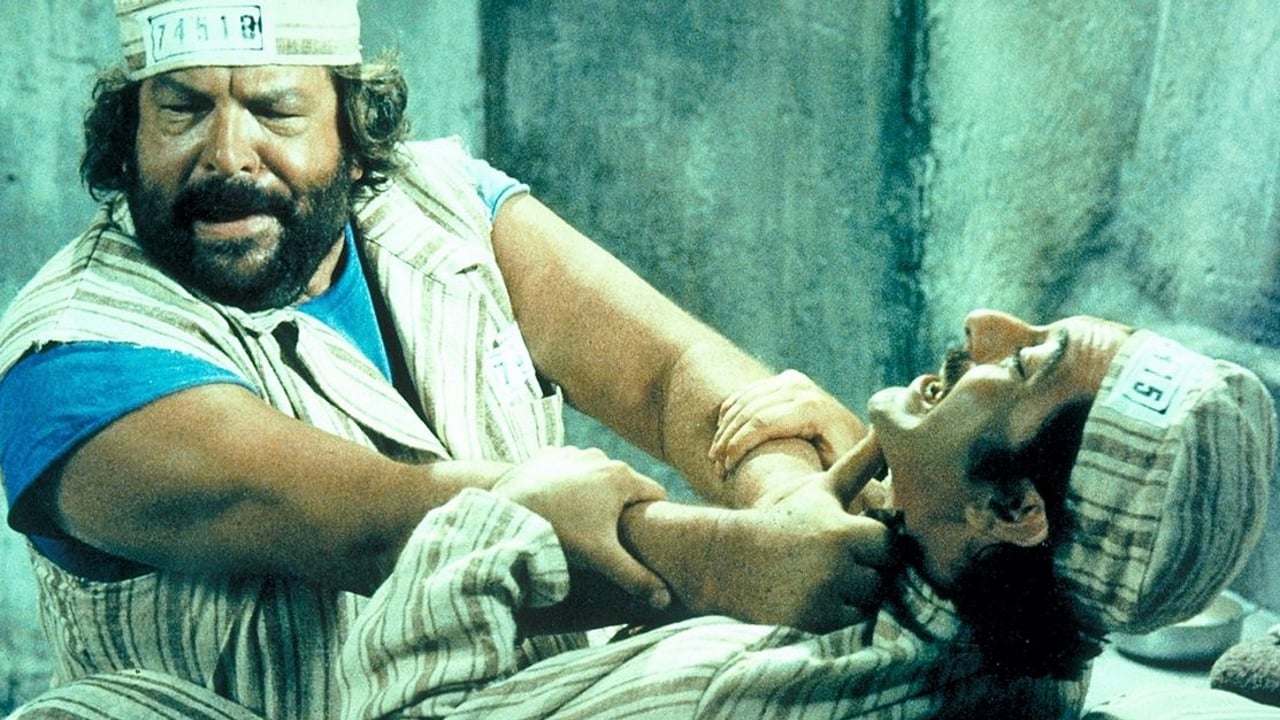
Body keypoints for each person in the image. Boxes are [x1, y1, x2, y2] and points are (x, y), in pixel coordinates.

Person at [0, 1, 889, 717]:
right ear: (128, 134)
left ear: (354, 140)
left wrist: (788, 495)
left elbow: (670, 377)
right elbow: (385, 526)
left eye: (275, 110)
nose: (227, 156)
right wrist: (736, 561)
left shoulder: (447, 201)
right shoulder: (71, 356)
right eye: (182, 109)